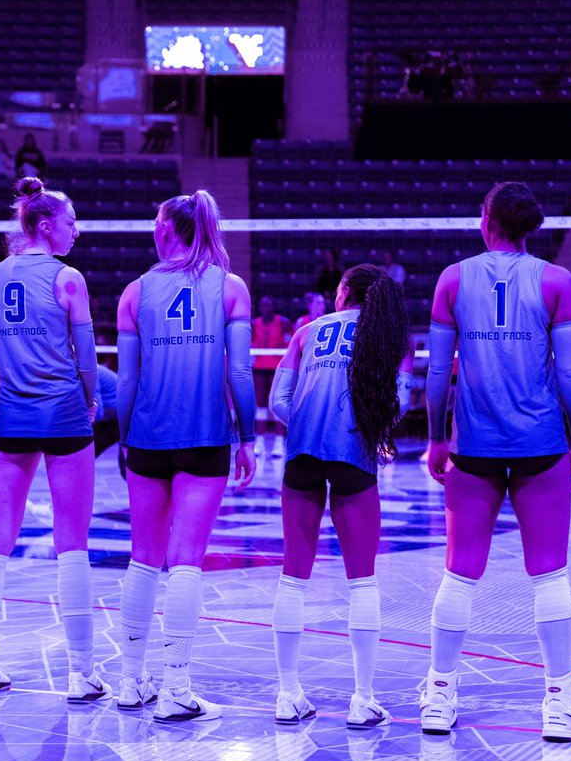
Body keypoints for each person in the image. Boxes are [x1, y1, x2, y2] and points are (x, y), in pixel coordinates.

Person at [422, 182, 571, 742]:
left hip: (473, 448)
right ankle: (558, 702)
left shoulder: (453, 279)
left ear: (487, 218)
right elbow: (569, 374)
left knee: (458, 572)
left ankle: (439, 695)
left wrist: (435, 439)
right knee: (551, 573)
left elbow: (436, 373)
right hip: (541, 444)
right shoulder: (556, 280)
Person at [114, 191, 257, 721]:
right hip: (204, 436)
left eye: (156, 221)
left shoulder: (135, 292)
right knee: (186, 559)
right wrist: (247, 436)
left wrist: (125, 438)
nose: (153, 228)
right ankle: (174, 688)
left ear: (172, 229)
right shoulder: (231, 287)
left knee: (143, 557)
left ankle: (130, 681)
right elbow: (239, 373)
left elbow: (127, 380)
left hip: (148, 436)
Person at [0, 177, 107, 702]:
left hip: (14, 415)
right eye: (71, 221)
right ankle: (81, 672)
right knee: (73, 543)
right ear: (46, 226)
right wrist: (91, 398)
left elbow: (1, 351)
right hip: (65, 414)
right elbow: (87, 356)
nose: (78, 230)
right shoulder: (69, 278)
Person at [268, 263, 414, 729]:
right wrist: (365, 429)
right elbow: (402, 402)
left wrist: (310, 424)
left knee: (293, 575)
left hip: (303, 452)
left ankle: (287, 694)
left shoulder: (306, 331)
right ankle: (362, 700)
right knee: (361, 579)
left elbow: (276, 401)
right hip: (354, 453)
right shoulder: (391, 336)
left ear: (346, 291)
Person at [251, 296, 292, 458]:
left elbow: (289, 345)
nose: (265, 307)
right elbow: (251, 344)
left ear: (273, 306)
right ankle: (259, 444)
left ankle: (278, 445)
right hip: (260, 368)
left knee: (277, 404)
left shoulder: (283, 322)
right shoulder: (254, 323)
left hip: (277, 368)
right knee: (260, 404)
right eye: (262, 305)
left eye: (268, 304)